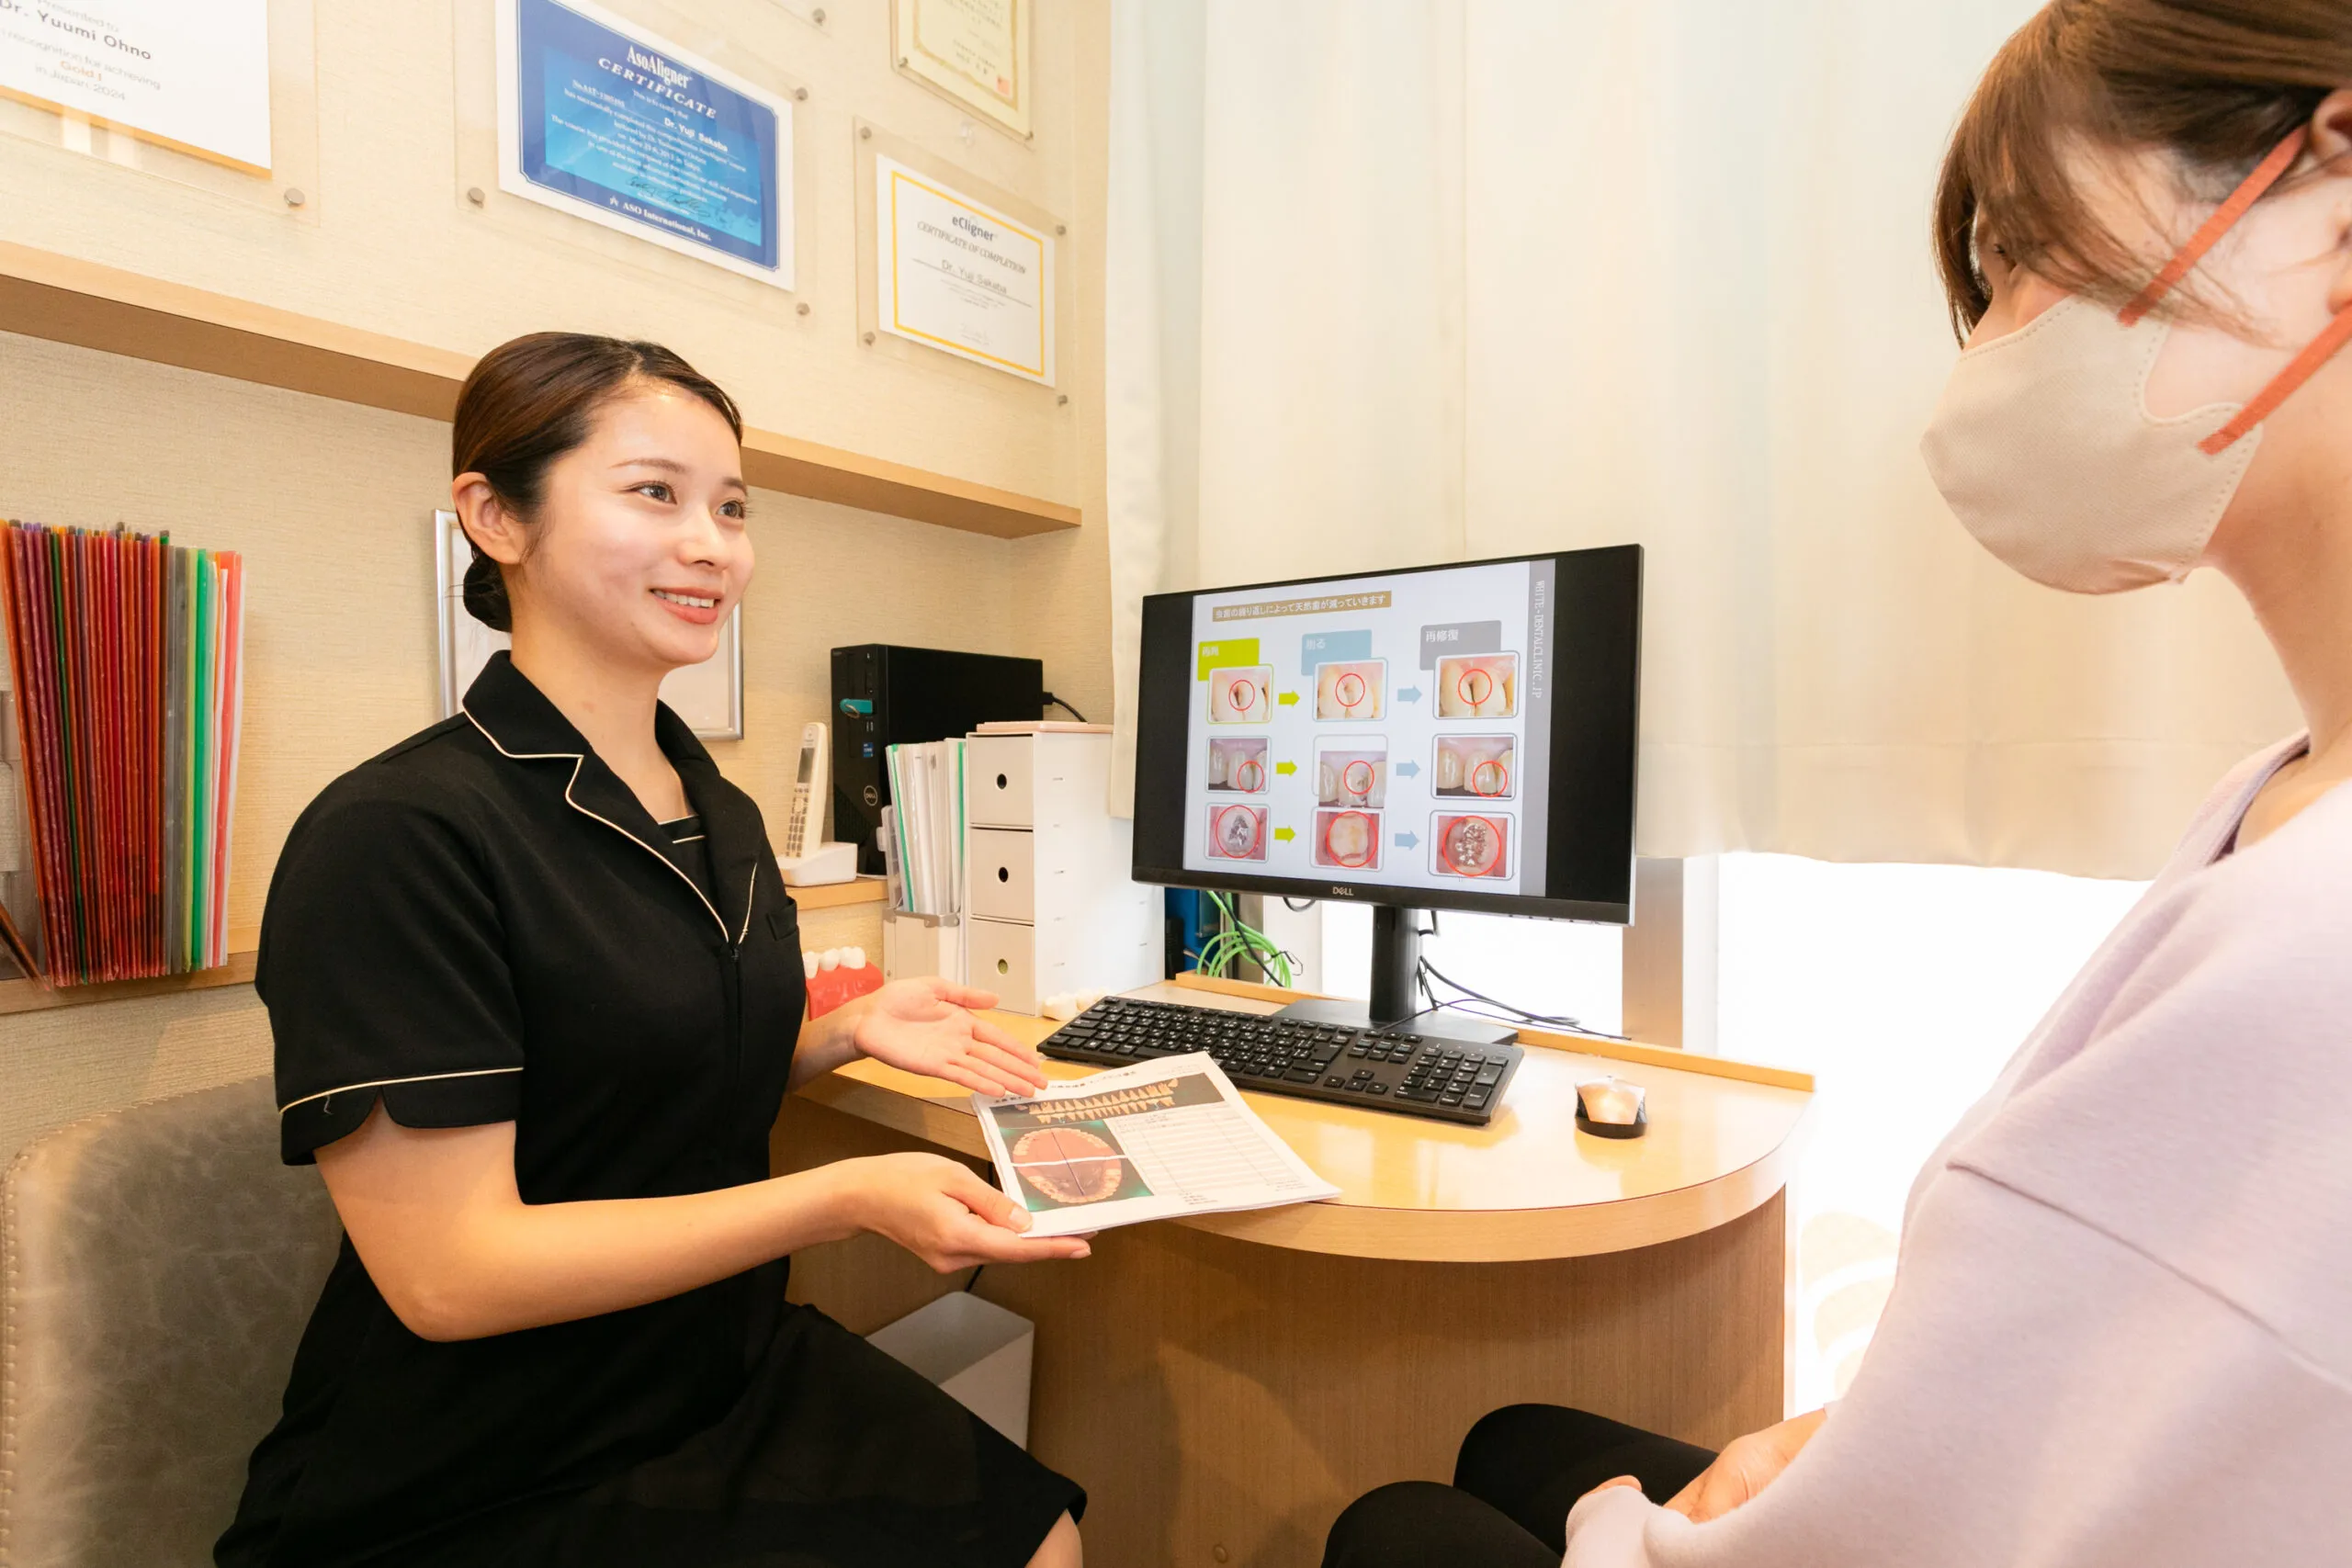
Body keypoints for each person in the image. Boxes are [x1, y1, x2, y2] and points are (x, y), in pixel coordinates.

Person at [1325, 3, 2352, 1563]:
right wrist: (1837, 1432)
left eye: (2018, 253)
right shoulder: (2278, 793)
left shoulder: (2313, 939)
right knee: (1511, 1436)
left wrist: (1638, 1521)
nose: (1992, 342)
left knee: (1408, 1517)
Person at [217, 333, 1088, 1568]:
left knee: (1039, 1537)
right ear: (494, 516)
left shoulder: (714, 807)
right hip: (485, 1457)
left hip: (709, 1367)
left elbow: (630, 1082)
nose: (712, 543)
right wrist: (841, 1196)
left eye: (731, 506)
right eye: (655, 493)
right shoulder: (397, 834)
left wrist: (830, 1034)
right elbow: (450, 1273)